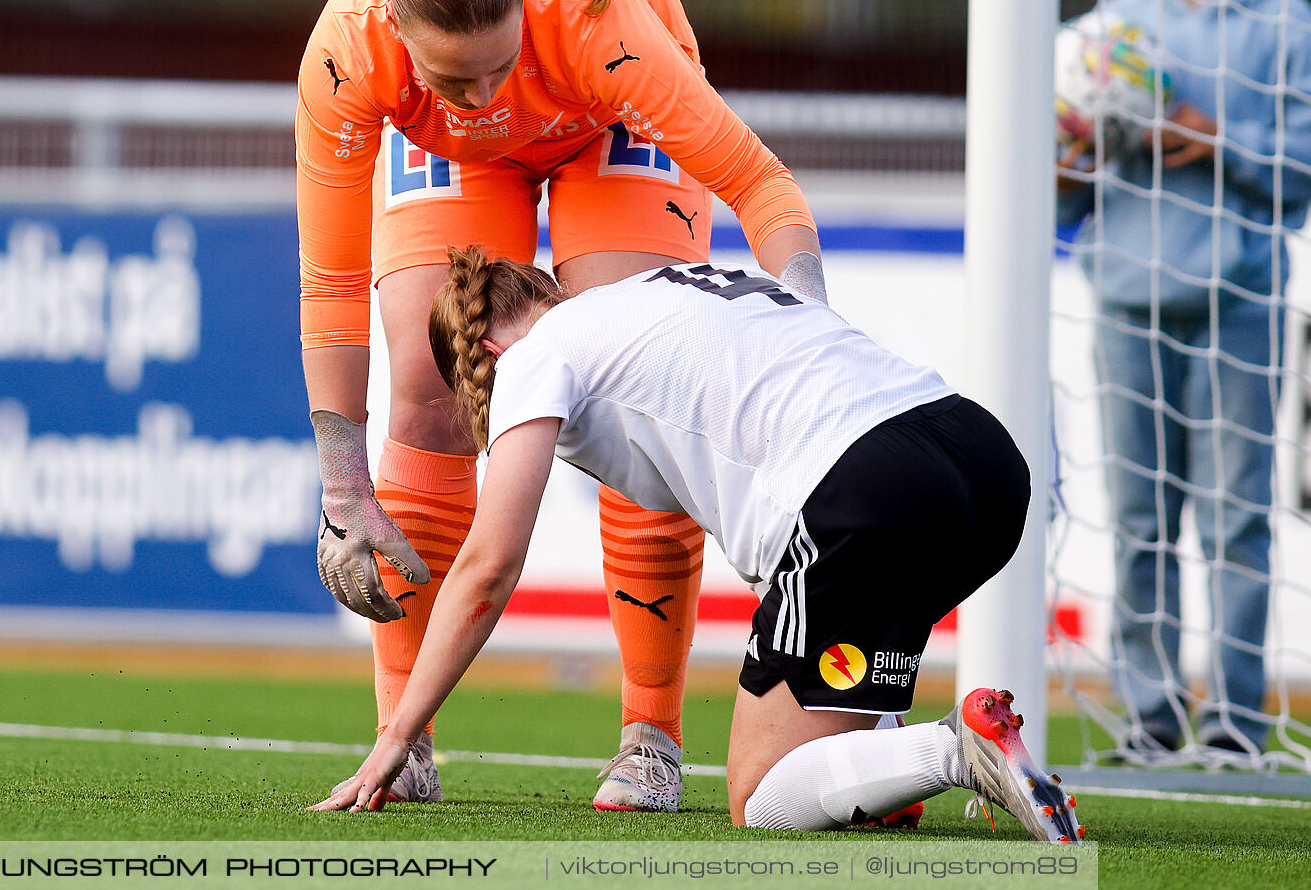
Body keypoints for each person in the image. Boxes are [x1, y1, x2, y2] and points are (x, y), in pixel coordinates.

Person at [297, 0, 828, 811]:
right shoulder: (349, 52)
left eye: (496, 68)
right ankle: (402, 735)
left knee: (635, 375)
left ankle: (650, 736)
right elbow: (332, 281)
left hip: (601, 114)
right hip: (456, 157)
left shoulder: (594, 20)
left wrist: (813, 327)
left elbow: (758, 180)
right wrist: (343, 490)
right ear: (398, 34)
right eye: (452, 78)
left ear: (523, 18)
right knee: (428, 382)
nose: (484, 98)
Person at [311, 247, 1080, 842]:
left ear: (483, 357)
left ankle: (955, 751)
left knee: (758, 798)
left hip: (867, 487)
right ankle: (880, 765)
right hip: (982, 463)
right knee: (843, 621)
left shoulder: (533, 356)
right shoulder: (659, 287)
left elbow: (487, 566)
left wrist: (396, 736)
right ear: (550, 290)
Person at [1057, 0, 1311, 757]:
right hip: (1126, 298)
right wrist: (1072, 150)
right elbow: (1069, 183)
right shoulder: (1109, 33)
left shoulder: (1285, 23)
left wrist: (1217, 134)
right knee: (1141, 519)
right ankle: (1147, 713)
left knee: (1234, 517)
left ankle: (1233, 719)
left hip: (1237, 301)